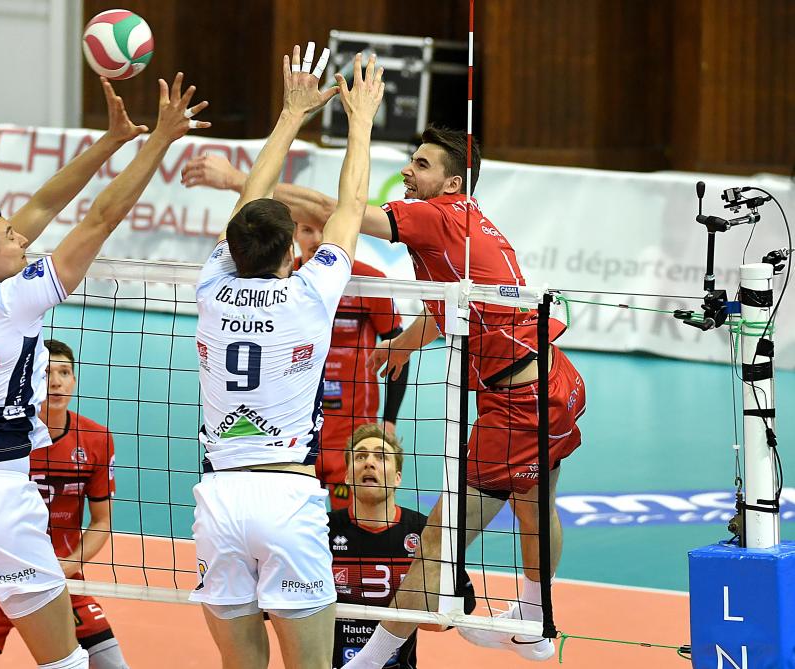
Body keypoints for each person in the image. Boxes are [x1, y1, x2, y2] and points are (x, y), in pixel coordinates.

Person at [254, 128, 585, 666]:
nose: (409, 171)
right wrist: (404, 346)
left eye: (422, 164)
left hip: (518, 409)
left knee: (436, 542)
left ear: (451, 181)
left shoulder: (434, 216)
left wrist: (240, 183)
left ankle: (369, 662)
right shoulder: (470, 222)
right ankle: (535, 619)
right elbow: (453, 306)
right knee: (536, 507)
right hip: (553, 382)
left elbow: (334, 210)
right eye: (411, 161)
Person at [0, 74, 206, 669]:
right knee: (64, 662)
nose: (24, 238)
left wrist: (109, 140)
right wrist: (159, 141)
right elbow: (98, 221)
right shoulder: (10, 299)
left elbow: (42, 207)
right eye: (10, 237)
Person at [189, 44, 384, 668]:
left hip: (217, 501)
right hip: (286, 499)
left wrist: (290, 113)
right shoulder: (309, 293)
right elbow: (349, 207)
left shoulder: (213, 289)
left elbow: (250, 200)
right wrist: (360, 120)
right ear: (289, 253)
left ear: (235, 245)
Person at [181, 152, 409, 510]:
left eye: (321, 227)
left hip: (352, 431)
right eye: (305, 229)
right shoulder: (305, 288)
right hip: (291, 433)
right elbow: (347, 209)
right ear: (292, 242)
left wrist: (390, 421)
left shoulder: (369, 283)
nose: (316, 237)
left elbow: (398, 351)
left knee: (348, 530)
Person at [0, 339, 128, 668]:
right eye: (46, 373)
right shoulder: (1, 437)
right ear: (29, 379)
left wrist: (70, 565)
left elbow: (101, 520)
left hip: (60, 579)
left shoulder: (96, 438)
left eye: (65, 372)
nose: (57, 381)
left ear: (74, 380)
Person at [329, 423, 475, 668]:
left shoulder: (422, 530)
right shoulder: (323, 530)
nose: (369, 462)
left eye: (381, 456)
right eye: (361, 455)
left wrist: (426, 618)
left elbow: (464, 598)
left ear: (398, 478)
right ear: (346, 476)